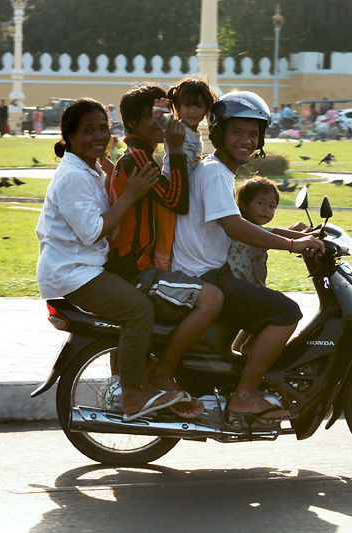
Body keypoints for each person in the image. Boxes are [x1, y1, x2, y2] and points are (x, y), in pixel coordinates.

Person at [171, 91, 325, 422]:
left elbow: (243, 223)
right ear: (219, 134)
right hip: (204, 275)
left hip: (208, 270)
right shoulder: (215, 172)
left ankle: (246, 377)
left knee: (266, 304)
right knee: (286, 311)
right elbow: (234, 226)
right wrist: (291, 246)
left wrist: (297, 235)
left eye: (253, 133)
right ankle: (245, 394)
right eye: (237, 132)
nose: (246, 140)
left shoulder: (219, 171)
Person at [35, 98, 188, 420]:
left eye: (103, 127)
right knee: (138, 310)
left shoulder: (86, 168)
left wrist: (109, 169)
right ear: (70, 137)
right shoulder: (73, 177)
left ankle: (128, 382)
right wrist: (131, 194)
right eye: (88, 130)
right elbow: (92, 231)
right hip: (74, 273)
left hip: (83, 266)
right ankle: (131, 394)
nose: (99, 136)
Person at [106, 84, 223, 418]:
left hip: (134, 264)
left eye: (164, 114)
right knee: (211, 298)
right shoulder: (139, 158)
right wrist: (173, 148)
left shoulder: (135, 155)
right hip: (137, 268)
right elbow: (177, 200)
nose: (164, 123)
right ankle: (162, 372)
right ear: (136, 122)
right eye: (157, 116)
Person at [227, 176, 312, 356]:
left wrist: (297, 230)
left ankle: (238, 350)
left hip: (249, 286)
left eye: (272, 206)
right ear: (243, 205)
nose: (267, 210)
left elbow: (273, 236)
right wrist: (312, 235)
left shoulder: (252, 229)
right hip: (241, 288)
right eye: (261, 203)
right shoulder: (245, 229)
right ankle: (251, 351)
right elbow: (273, 234)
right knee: (277, 312)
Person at [165, 76, 217, 175]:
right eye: (187, 105)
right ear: (178, 106)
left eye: (199, 106)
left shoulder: (197, 135)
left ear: (207, 109)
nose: (193, 111)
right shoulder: (175, 128)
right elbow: (160, 120)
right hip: (172, 183)